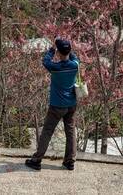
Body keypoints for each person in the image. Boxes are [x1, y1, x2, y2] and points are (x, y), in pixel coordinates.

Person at [25, 37, 79, 171]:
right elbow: (74, 56)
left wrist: (51, 50)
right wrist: (67, 49)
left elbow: (45, 61)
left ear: (58, 53)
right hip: (71, 104)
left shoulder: (55, 68)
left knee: (47, 132)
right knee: (71, 132)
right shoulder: (75, 65)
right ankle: (70, 161)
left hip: (57, 105)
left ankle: (36, 160)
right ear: (69, 51)